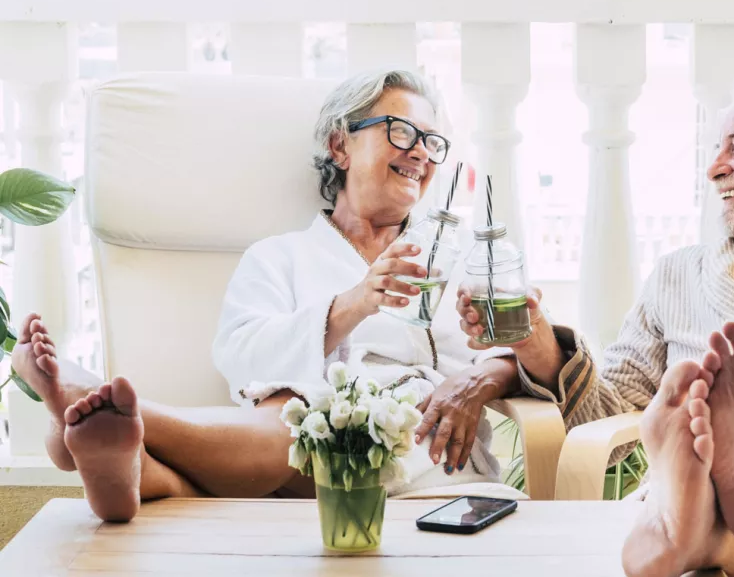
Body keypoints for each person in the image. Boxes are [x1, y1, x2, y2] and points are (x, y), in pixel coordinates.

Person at [11, 69, 524, 523]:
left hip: (422, 462)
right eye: (401, 131)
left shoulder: (454, 259)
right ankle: (130, 466)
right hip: (296, 472)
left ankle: (113, 426)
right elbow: (241, 357)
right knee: (294, 411)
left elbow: (518, 352)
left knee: (298, 426)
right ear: (339, 146)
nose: (420, 151)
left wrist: (485, 375)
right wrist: (354, 303)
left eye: (432, 141)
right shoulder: (278, 257)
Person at [454, 68, 734, 576]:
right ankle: (707, 488)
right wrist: (537, 343)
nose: (714, 169)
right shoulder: (679, 276)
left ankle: (707, 533)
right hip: (701, 466)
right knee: (690, 423)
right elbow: (610, 416)